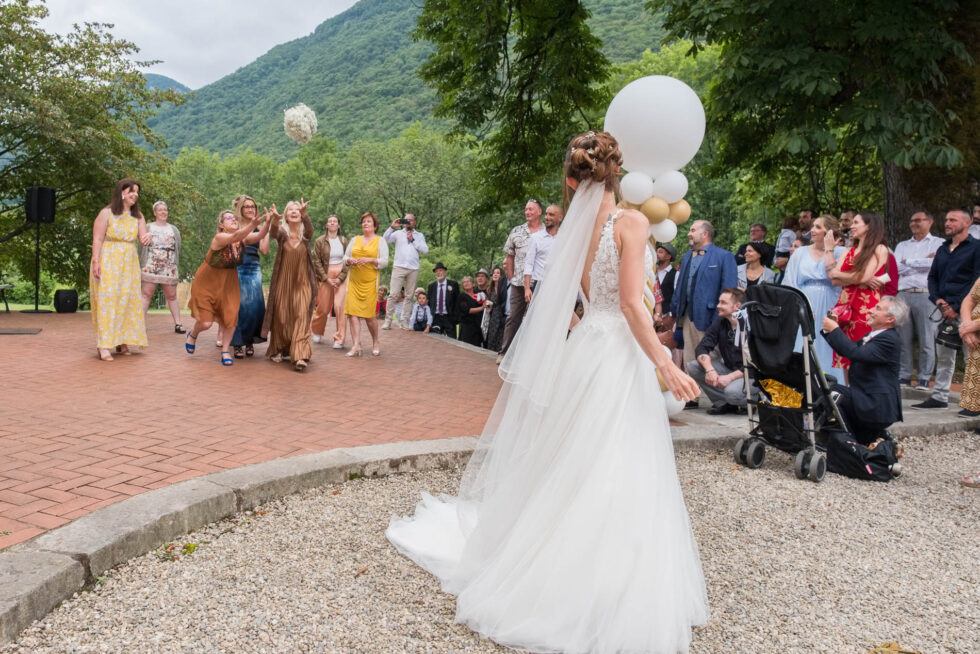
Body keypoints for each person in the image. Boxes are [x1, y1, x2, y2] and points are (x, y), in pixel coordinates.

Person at [387, 130, 707, 654]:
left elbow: (582, 303)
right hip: (618, 353)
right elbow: (631, 304)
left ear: (570, 180)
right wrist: (664, 365)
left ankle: (562, 569)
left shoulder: (571, 235)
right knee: (616, 463)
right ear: (618, 172)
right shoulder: (631, 222)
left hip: (588, 349)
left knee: (578, 461)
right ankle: (604, 588)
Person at [186, 207, 271, 366]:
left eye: (234, 218)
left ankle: (225, 350)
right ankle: (193, 334)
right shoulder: (219, 238)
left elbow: (260, 235)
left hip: (229, 282)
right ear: (221, 225)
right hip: (208, 282)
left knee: (231, 317)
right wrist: (252, 224)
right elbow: (237, 235)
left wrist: (268, 222)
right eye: (228, 218)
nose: (233, 220)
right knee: (206, 323)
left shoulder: (243, 240)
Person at [915, 209, 980, 409]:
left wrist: (957, 306)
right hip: (943, 309)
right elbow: (932, 277)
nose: (947, 223)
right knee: (944, 355)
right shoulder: (943, 249)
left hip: (968, 310)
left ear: (967, 223)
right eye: (946, 219)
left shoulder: (976, 247)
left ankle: (973, 404)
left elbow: (975, 280)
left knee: (973, 357)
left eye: (953, 220)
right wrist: (939, 302)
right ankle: (940, 396)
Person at [822, 295, 907, 444]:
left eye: (878, 309)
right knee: (823, 385)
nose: (871, 310)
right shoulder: (874, 335)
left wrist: (834, 330)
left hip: (876, 404)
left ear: (890, 319)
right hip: (866, 397)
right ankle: (850, 439)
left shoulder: (889, 339)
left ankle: (843, 439)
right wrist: (832, 330)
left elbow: (854, 353)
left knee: (828, 390)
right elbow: (849, 349)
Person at [90, 179, 152, 361]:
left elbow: (142, 239)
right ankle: (103, 345)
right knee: (107, 301)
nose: (135, 194)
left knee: (127, 300)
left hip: (129, 262)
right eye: (132, 191)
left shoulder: (138, 216)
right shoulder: (106, 213)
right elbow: (98, 239)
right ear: (122, 192)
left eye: (137, 192)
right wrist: (96, 261)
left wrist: (147, 237)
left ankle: (122, 341)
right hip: (108, 259)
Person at [781, 214, 847, 378]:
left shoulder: (841, 252)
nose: (813, 230)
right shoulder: (800, 253)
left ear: (829, 232)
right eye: (813, 226)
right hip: (804, 302)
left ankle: (833, 388)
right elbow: (789, 282)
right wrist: (799, 306)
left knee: (828, 344)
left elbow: (842, 281)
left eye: (818, 227)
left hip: (831, 303)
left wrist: (829, 249)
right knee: (804, 343)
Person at [828, 211, 890, 376]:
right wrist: (859, 279)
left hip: (865, 306)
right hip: (845, 306)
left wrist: (855, 277)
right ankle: (850, 395)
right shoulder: (848, 250)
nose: (852, 226)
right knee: (845, 355)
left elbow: (863, 276)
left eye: (856, 222)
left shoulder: (879, 248)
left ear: (869, 226)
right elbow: (833, 278)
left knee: (862, 351)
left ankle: (863, 395)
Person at [670, 219, 738, 366]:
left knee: (710, 360)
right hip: (687, 317)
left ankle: (709, 389)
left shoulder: (724, 256)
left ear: (705, 233)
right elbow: (680, 284)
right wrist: (675, 311)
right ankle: (693, 389)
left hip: (711, 317)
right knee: (689, 361)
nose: (689, 234)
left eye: (693, 230)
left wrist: (718, 319)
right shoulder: (688, 256)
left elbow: (730, 291)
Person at [261, 200, 317, 371]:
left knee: (302, 316)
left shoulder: (305, 237)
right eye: (290, 209)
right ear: (286, 215)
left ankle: (300, 355)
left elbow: (310, 230)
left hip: (303, 283)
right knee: (282, 317)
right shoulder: (283, 235)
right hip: (283, 283)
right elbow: (274, 232)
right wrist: (275, 220)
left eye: (297, 210)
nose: (294, 211)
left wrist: (305, 213)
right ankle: (279, 348)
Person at [894, 211, 944, 387]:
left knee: (927, 338)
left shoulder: (939, 243)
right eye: (911, 221)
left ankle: (924, 377)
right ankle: (904, 375)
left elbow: (936, 265)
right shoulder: (902, 245)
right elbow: (896, 268)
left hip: (926, 294)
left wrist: (908, 262)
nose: (913, 223)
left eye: (918, 220)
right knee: (902, 338)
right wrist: (922, 261)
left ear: (929, 222)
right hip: (903, 294)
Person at [687, 287, 753, 414]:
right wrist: (710, 370)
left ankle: (750, 402)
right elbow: (702, 347)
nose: (718, 306)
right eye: (719, 302)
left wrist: (730, 377)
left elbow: (754, 363)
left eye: (723, 303)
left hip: (749, 375)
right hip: (729, 368)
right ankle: (724, 403)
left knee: (732, 392)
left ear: (737, 306)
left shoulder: (750, 325)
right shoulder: (721, 323)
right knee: (694, 366)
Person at [498, 199, 545, 360]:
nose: (528, 212)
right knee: (513, 317)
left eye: (531, 209)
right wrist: (511, 278)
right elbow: (509, 256)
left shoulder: (547, 232)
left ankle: (532, 355)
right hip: (518, 282)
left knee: (537, 318)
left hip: (539, 282)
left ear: (539, 211)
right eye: (526, 209)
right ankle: (504, 353)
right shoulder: (517, 231)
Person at [343, 212, 389, 357]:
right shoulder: (355, 239)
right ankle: (356, 345)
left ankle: (375, 341)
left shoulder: (380, 241)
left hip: (369, 283)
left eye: (369, 221)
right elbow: (345, 256)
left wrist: (370, 260)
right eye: (363, 222)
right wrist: (350, 260)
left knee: (369, 316)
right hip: (353, 282)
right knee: (352, 314)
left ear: (375, 225)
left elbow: (384, 261)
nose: (365, 224)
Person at [230, 195, 270, 358]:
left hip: (254, 268)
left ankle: (250, 341)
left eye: (253, 206)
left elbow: (265, 250)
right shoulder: (235, 225)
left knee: (255, 306)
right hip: (237, 267)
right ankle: (237, 343)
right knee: (238, 306)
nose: (250, 209)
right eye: (247, 206)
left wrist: (265, 230)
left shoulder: (260, 228)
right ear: (240, 208)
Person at [138, 200, 184, 333]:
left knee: (172, 295)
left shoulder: (173, 229)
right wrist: (142, 263)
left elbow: (178, 247)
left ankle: (178, 324)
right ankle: (140, 324)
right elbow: (141, 246)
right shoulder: (148, 227)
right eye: (160, 210)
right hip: (150, 266)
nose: (163, 212)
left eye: (165, 209)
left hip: (169, 267)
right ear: (155, 213)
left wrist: (174, 263)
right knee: (146, 294)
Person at [382, 213, 428, 330]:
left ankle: (404, 321)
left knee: (409, 296)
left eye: (411, 220)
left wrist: (413, 240)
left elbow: (425, 250)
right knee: (393, 294)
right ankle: (388, 321)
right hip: (399, 267)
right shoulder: (397, 234)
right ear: (403, 222)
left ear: (414, 222)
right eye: (406, 220)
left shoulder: (419, 235)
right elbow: (384, 240)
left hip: (413, 268)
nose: (408, 222)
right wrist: (392, 227)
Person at [311, 215, 350, 350]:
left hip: (341, 273)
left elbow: (348, 260)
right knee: (323, 306)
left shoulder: (344, 241)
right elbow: (317, 261)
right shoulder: (320, 241)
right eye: (330, 221)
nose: (332, 223)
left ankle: (339, 339)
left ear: (338, 226)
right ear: (327, 225)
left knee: (340, 307)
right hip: (326, 273)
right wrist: (326, 278)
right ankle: (317, 330)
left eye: (335, 221)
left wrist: (340, 278)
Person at [523, 203, 564, 303]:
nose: (547, 217)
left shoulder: (564, 238)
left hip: (559, 284)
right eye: (546, 214)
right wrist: (527, 289)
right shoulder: (536, 238)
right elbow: (528, 264)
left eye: (551, 215)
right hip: (539, 284)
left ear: (560, 218)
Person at [956, 276, 980, 417]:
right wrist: (966, 327)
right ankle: (974, 406)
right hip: (974, 333)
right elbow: (968, 300)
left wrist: (974, 325)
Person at [427, 262, 459, 337]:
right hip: (436, 318)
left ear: (445, 272)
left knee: (452, 341)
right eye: (436, 271)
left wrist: (455, 317)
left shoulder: (453, 284)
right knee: (435, 340)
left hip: (449, 317)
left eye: (440, 270)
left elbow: (457, 301)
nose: (438, 273)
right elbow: (429, 302)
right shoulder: (431, 286)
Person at [457, 275, 487, 346]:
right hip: (467, 328)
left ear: (473, 284)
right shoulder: (462, 296)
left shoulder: (479, 295)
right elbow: (467, 310)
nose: (466, 283)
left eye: (468, 281)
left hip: (477, 327)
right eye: (464, 282)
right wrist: (482, 308)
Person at [484, 266, 508, 352]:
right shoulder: (489, 289)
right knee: (492, 336)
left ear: (502, 275)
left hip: (502, 314)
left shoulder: (505, 288)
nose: (495, 274)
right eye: (494, 273)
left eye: (497, 273)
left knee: (501, 335)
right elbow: (489, 303)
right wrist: (488, 306)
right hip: (493, 316)